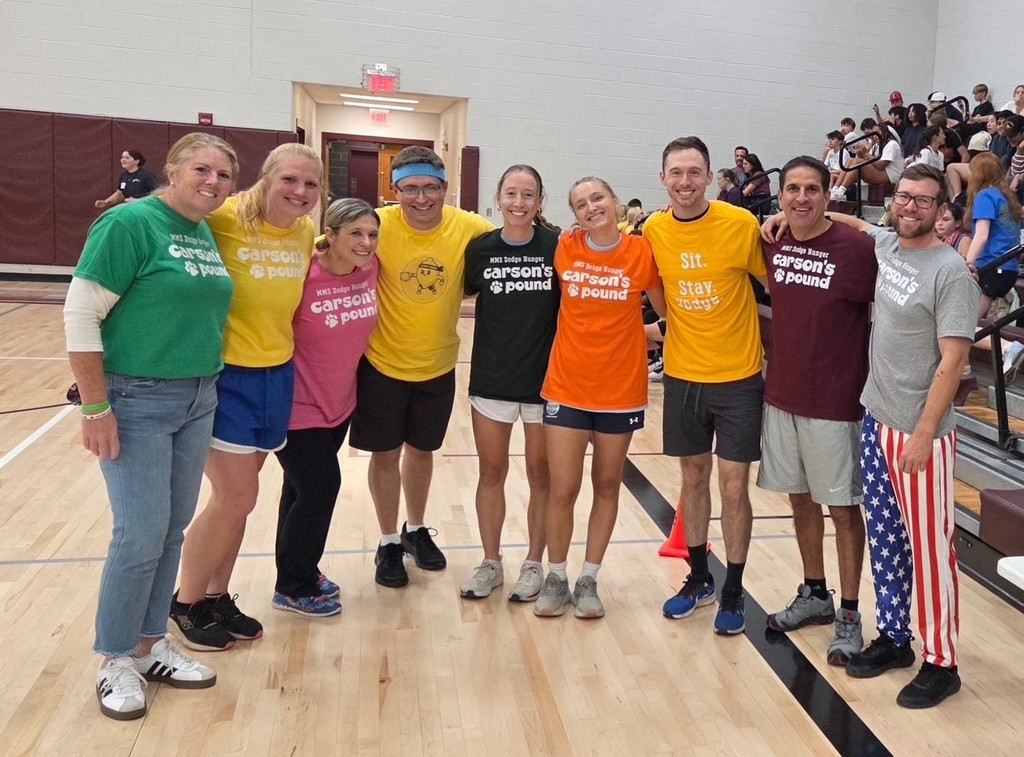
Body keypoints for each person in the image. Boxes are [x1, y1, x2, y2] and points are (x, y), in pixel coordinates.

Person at [65, 133, 238, 719]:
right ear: (172, 169)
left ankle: (147, 645)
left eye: (223, 174)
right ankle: (115, 658)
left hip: (197, 397)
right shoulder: (131, 224)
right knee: (138, 533)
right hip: (135, 398)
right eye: (201, 169)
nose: (212, 181)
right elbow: (81, 313)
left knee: (169, 530)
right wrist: (96, 406)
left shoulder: (202, 231)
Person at [815, 165, 980, 708]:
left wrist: (923, 434)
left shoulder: (950, 273)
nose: (910, 207)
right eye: (905, 197)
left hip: (919, 435)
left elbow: (953, 361)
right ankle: (895, 636)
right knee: (885, 538)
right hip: (874, 420)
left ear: (941, 211)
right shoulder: (888, 242)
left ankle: (942, 661)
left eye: (924, 202)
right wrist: (789, 221)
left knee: (931, 551)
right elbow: (851, 224)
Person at [172, 143, 321, 651]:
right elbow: (163, 220)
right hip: (228, 374)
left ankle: (216, 597)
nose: (300, 193)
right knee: (236, 497)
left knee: (238, 502)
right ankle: (184, 604)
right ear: (264, 177)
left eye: (311, 185)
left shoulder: (304, 231)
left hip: (277, 372)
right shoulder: (226, 217)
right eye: (290, 181)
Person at [349, 146, 493, 589]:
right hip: (381, 362)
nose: (422, 198)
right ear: (394, 190)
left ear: (446, 189)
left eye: (431, 188)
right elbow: (325, 254)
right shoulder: (375, 225)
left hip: (439, 363)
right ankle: (389, 540)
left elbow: (518, 247)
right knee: (385, 454)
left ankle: (415, 528)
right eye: (410, 189)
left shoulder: (470, 227)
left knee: (422, 451)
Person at [756, 157, 877, 666]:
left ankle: (849, 613)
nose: (800, 198)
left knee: (844, 510)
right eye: (792, 189)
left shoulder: (855, 249)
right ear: (780, 195)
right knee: (801, 502)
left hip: (836, 402)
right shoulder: (773, 239)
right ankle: (815, 595)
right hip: (781, 396)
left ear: (829, 195)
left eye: (811, 189)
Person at [644, 136, 767, 636]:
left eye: (695, 172)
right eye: (677, 172)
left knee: (733, 486)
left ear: (711, 177)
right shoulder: (653, 228)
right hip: (683, 377)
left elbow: (776, 283)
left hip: (738, 377)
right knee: (692, 479)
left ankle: (733, 586)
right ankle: (698, 579)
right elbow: (658, 292)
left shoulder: (741, 225)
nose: (685, 181)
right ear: (663, 179)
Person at [533, 176, 663, 619]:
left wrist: (641, 335)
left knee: (607, 485)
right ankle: (556, 575)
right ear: (574, 215)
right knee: (562, 488)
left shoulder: (640, 253)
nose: (591, 207)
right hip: (567, 386)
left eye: (598, 198)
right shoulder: (565, 247)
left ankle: (588, 577)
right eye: (581, 204)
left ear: (614, 201)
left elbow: (667, 313)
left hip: (621, 391)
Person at [271, 198, 380, 617]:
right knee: (320, 488)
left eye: (372, 234)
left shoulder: (369, 269)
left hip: (339, 405)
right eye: (355, 233)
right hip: (296, 405)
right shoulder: (302, 275)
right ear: (329, 235)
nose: (366, 242)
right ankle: (293, 587)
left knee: (298, 490)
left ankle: (299, 568)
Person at [459, 165, 560, 602]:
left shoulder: (558, 246)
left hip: (545, 383)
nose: (518, 203)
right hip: (492, 379)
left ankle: (534, 563)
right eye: (511, 194)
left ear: (540, 202)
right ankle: (491, 562)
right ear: (498, 199)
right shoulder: (479, 249)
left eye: (528, 195)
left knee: (542, 477)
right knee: (491, 472)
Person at [963, 152, 1024, 320]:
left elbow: (982, 235)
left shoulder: (985, 196)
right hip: (1009, 269)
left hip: (993, 265)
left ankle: (1009, 348)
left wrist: (967, 264)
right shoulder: (1006, 196)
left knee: (967, 324)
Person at [831, 123, 905, 201]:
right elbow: (864, 161)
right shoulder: (876, 146)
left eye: (877, 132)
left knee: (857, 162)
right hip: (881, 172)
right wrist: (859, 153)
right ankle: (835, 189)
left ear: (885, 132)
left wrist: (865, 153)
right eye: (873, 133)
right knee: (851, 160)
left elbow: (881, 165)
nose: (874, 135)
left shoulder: (892, 144)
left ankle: (841, 192)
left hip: (890, 175)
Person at [95, 150, 160, 209]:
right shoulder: (124, 176)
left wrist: (138, 201)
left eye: (127, 158)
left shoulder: (146, 176)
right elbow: (120, 193)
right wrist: (106, 202)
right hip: (130, 209)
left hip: (144, 209)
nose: (123, 160)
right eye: (122, 157)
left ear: (136, 161)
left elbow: (158, 194)